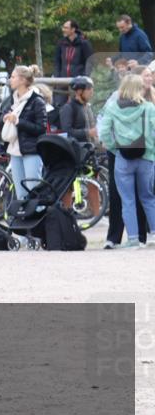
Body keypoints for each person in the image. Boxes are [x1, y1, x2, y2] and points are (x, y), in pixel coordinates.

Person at [98, 73, 155, 248]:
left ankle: (133, 239)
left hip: (123, 157)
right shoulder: (148, 108)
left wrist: (114, 147)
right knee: (148, 197)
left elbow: (105, 132)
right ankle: (153, 235)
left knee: (127, 199)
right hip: (146, 157)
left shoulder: (113, 108)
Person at [0, 66, 46, 201]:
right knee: (20, 193)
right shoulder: (11, 99)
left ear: (23, 80)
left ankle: (38, 220)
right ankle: (24, 220)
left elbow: (41, 128)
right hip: (14, 150)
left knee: (33, 189)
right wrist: (4, 118)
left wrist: (18, 121)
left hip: (31, 150)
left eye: (13, 77)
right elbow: (0, 120)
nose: (10, 80)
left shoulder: (37, 101)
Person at [54, 20, 93, 106]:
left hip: (77, 81)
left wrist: (84, 77)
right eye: (63, 27)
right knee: (59, 104)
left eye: (66, 28)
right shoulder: (61, 43)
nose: (63, 30)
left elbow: (90, 62)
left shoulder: (84, 43)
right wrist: (57, 76)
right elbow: (57, 61)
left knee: (77, 105)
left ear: (73, 29)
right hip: (62, 80)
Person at [60, 76, 97, 144]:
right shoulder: (68, 107)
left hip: (91, 148)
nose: (91, 92)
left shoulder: (88, 106)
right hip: (77, 149)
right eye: (88, 89)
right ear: (79, 91)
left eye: (92, 89)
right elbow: (67, 131)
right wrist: (87, 132)